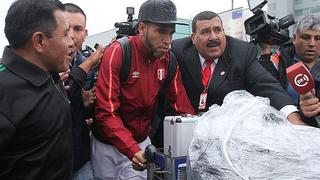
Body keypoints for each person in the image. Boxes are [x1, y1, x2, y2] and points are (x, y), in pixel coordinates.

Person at [91, 0, 195, 179]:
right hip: (106, 147)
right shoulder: (118, 52)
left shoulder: (169, 60)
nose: (168, 41)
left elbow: (181, 104)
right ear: (141, 28)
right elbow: (106, 112)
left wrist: (199, 134)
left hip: (141, 145)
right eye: (161, 31)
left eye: (171, 33)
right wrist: (131, 149)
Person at [171, 11, 305, 125]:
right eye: (205, 32)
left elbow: (267, 86)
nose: (213, 37)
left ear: (224, 32)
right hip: (183, 127)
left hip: (226, 131)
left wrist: (293, 117)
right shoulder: (177, 50)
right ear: (194, 38)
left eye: (218, 30)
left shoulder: (241, 52)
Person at [0, 0, 74, 179]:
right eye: (65, 34)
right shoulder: (4, 91)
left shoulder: (50, 72)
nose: (71, 42)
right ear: (39, 41)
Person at [63, 3, 103, 179]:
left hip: (80, 157)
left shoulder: (90, 65)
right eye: (66, 28)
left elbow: (87, 112)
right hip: (51, 160)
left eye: (78, 29)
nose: (71, 35)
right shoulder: (42, 64)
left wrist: (86, 104)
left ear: (86, 34)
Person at [259, 15, 320, 127]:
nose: (312, 43)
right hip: (280, 130)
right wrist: (265, 52)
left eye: (318, 38)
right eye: (306, 37)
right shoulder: (277, 61)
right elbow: (265, 92)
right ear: (295, 38)